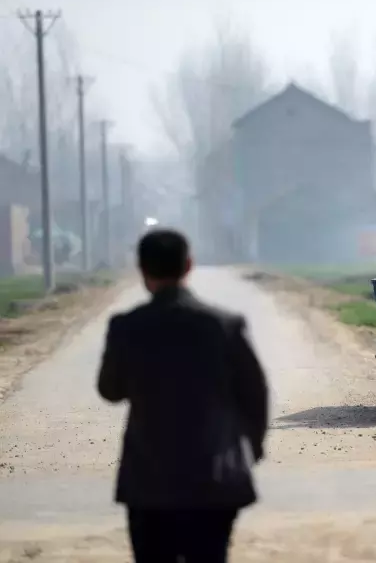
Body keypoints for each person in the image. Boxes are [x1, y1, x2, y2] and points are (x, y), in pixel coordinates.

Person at [97, 228, 269, 563]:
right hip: (215, 481)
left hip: (148, 483)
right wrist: (253, 447)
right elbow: (255, 394)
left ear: (142, 270)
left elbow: (110, 391)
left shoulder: (126, 327)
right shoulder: (225, 325)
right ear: (188, 265)